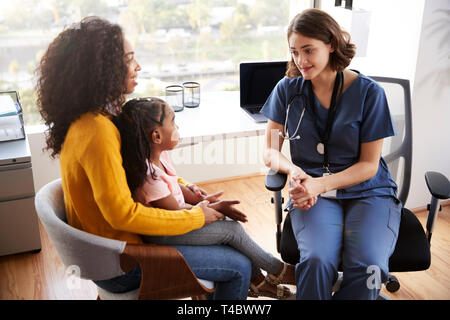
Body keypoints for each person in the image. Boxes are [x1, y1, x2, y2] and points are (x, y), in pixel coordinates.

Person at [35, 16, 252, 300]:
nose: (138, 66)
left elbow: (144, 169)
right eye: (129, 59)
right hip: (121, 263)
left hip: (110, 250)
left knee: (227, 241)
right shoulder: (98, 130)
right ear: (102, 69)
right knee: (239, 265)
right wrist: (194, 217)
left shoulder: (96, 118)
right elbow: (123, 214)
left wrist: (189, 195)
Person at [261, 8, 402, 300]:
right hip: (312, 191)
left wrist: (319, 184)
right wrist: (293, 171)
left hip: (367, 191)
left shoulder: (370, 94)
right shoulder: (287, 90)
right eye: (294, 52)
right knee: (315, 261)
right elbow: (270, 151)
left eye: (308, 50)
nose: (300, 61)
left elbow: (368, 165)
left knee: (370, 266)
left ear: (332, 45)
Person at [113, 97, 296, 299]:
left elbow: (173, 184)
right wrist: (205, 208)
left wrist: (195, 194)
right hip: (165, 233)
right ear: (156, 136)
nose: (177, 126)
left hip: (175, 223)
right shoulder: (149, 177)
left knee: (227, 223)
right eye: (173, 121)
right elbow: (174, 214)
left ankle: (257, 281)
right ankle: (278, 270)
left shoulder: (159, 157)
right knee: (232, 231)